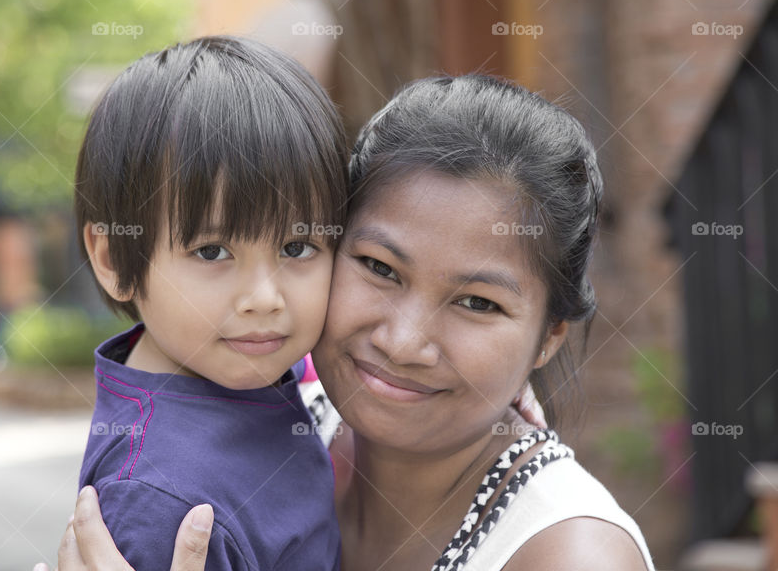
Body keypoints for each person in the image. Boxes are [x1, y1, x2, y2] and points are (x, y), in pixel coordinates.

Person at [44, 74, 657, 570]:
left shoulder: (569, 555)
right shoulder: (280, 418)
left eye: (478, 304)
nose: (403, 341)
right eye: (379, 267)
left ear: (549, 336)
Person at [72, 36, 349, 570]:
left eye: (297, 247)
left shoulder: (240, 377)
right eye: (212, 251)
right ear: (113, 259)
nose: (265, 299)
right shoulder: (162, 499)